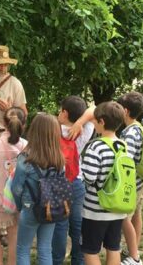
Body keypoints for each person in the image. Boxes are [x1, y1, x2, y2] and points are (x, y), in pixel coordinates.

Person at [11, 113, 65, 265]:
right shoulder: (59, 159)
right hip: (51, 207)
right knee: (45, 247)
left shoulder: (26, 158)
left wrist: (20, 206)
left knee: (23, 248)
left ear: (34, 131)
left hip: (29, 207)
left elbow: (16, 188)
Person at [80, 101, 126, 265]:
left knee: (90, 250)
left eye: (95, 121)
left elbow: (89, 178)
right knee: (113, 247)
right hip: (118, 208)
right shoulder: (123, 145)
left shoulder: (96, 146)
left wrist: (81, 167)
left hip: (96, 209)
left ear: (102, 122)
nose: (93, 124)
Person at [52, 96, 94, 265]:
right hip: (76, 181)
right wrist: (80, 122)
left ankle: (56, 261)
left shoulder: (52, 130)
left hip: (57, 182)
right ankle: (79, 260)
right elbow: (95, 109)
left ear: (64, 112)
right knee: (78, 226)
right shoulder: (84, 131)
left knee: (59, 226)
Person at [0, 107, 28, 265]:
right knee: (14, 234)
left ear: (3, 123)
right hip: (17, 200)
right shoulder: (26, 146)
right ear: (24, 124)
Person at [117, 92, 143, 265]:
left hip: (130, 184)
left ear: (126, 111)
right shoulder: (141, 129)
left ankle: (134, 257)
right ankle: (133, 250)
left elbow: (125, 161)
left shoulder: (129, 134)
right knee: (137, 214)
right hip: (139, 181)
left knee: (124, 218)